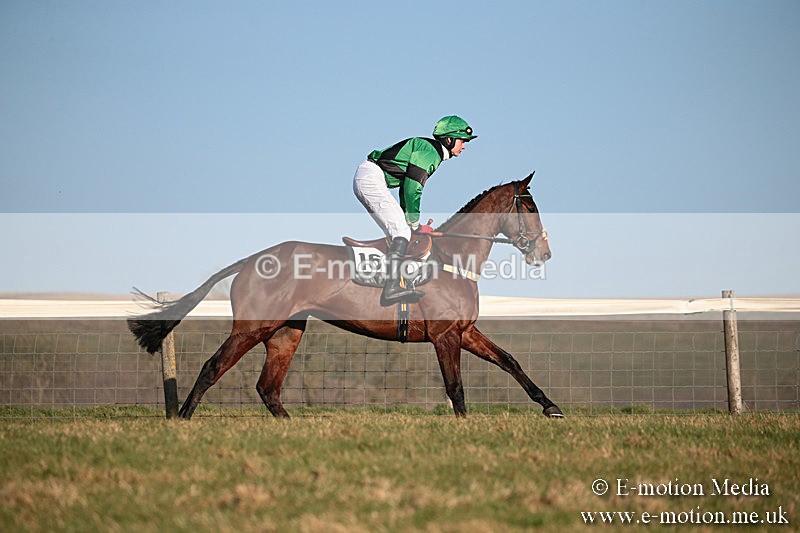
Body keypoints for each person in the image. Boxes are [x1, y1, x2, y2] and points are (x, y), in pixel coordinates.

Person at [353, 115, 477, 303]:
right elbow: (413, 188)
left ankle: (389, 278)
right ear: (449, 139)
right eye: (462, 141)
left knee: (401, 229)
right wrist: (413, 223)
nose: (464, 146)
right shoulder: (431, 152)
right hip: (371, 178)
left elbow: (405, 189)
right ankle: (392, 286)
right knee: (402, 230)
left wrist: (411, 221)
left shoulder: (431, 150)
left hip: (371, 177)